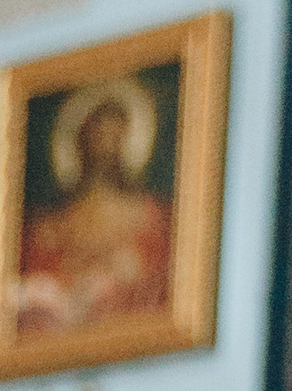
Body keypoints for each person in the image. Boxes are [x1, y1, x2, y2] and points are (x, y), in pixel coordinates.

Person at [13, 82, 174, 341]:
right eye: (98, 130)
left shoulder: (156, 217)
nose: (106, 141)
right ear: (80, 137)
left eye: (115, 132)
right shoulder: (44, 224)